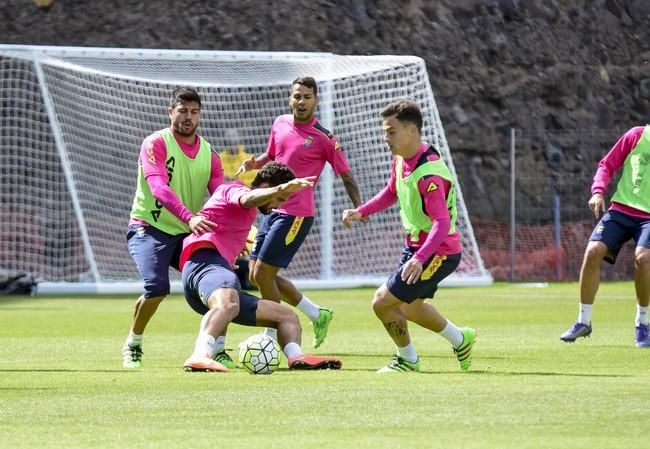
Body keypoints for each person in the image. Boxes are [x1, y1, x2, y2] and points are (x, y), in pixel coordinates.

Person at [341, 99, 476, 373]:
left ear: (412, 131)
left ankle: (408, 359)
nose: (385, 138)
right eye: (384, 131)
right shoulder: (402, 160)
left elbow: (442, 222)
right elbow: (391, 192)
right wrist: (361, 210)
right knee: (411, 308)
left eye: (391, 131)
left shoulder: (429, 175)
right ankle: (461, 339)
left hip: (438, 252)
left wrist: (420, 258)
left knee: (381, 302)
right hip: (418, 248)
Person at [235, 76, 364, 348]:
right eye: (297, 96)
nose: (301, 101)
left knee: (263, 274)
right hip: (272, 208)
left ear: (316, 100)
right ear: (289, 98)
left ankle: (270, 335)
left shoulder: (325, 138)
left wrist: (358, 207)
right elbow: (272, 154)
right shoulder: (280, 123)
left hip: (297, 215)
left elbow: (346, 175)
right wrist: (255, 163)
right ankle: (317, 314)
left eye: (307, 96)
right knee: (256, 273)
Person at [180, 162, 341, 371]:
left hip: (218, 279)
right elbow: (248, 199)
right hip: (205, 264)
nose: (277, 206)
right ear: (265, 185)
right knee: (228, 302)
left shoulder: (245, 215)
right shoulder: (234, 189)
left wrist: (234, 246)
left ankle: (296, 357)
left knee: (286, 316)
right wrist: (280, 189)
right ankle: (201, 354)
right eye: (280, 200)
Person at [122, 87, 225, 369]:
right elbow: (158, 188)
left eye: (194, 112)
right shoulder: (155, 143)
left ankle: (219, 347)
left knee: (220, 279)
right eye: (182, 111)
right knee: (156, 287)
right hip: (149, 227)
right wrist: (189, 217)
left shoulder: (210, 155)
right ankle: (134, 342)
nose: (188, 117)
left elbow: (221, 198)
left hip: (186, 231)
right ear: (171, 112)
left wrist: (238, 232)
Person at [560, 126, 650, 347]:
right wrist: (598, 191)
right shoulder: (637, 135)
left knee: (643, 258)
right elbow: (607, 165)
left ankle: (642, 324)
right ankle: (583, 321)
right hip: (621, 211)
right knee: (592, 252)